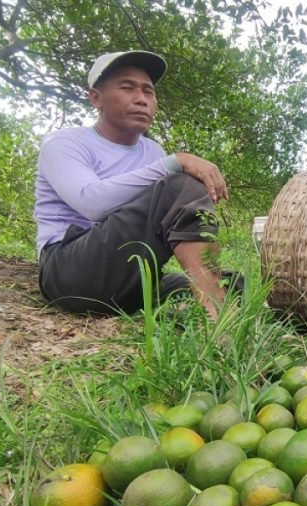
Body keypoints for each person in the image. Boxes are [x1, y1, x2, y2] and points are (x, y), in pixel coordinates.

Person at [34, 50, 233, 319]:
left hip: (132, 274)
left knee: (234, 283)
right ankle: (218, 317)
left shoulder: (152, 151)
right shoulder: (64, 143)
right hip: (70, 270)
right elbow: (91, 203)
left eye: (148, 91)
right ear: (96, 98)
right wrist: (177, 162)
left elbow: (154, 221)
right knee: (180, 186)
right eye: (127, 88)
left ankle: (197, 305)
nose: (141, 99)